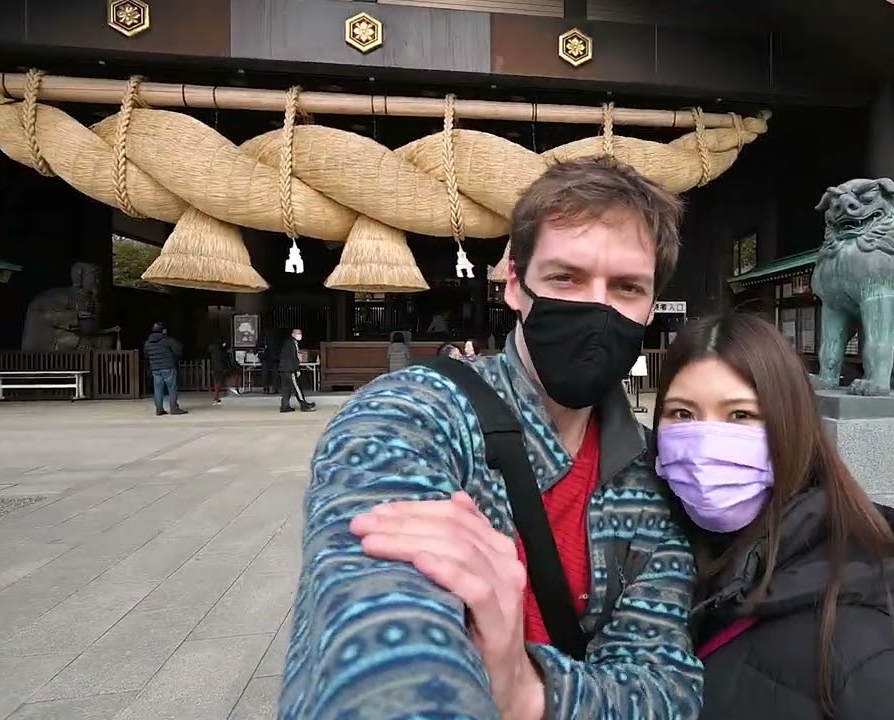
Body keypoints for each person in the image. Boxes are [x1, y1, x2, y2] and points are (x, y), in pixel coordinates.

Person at [279, 157, 701, 720]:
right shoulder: (412, 415)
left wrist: (523, 688)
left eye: (626, 287)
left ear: (650, 307)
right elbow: (377, 623)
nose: (596, 308)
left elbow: (665, 689)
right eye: (565, 278)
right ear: (514, 283)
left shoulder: (653, 477)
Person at [653, 313, 894, 720]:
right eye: (682, 414)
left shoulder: (868, 654)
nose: (705, 439)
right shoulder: (649, 555)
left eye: (741, 415)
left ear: (791, 424)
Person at [142, 322, 186, 416]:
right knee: (172, 388)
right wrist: (174, 358)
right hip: (168, 367)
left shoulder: (147, 343)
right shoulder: (168, 340)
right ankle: (174, 408)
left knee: (158, 389)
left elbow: (146, 355)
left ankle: (159, 409)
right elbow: (178, 350)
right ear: (164, 330)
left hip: (155, 369)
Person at [278, 328, 316, 413]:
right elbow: (293, 358)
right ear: (293, 334)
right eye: (298, 333)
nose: (300, 335)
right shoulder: (292, 344)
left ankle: (285, 406)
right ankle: (304, 405)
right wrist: (296, 369)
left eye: (300, 333)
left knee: (286, 389)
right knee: (297, 388)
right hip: (289, 369)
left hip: (283, 369)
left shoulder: (289, 343)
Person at [207, 335, 242, 405]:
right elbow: (224, 358)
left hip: (215, 368)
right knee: (236, 372)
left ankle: (216, 398)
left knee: (217, 383)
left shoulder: (212, 350)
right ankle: (234, 387)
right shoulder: (221, 350)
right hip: (222, 368)